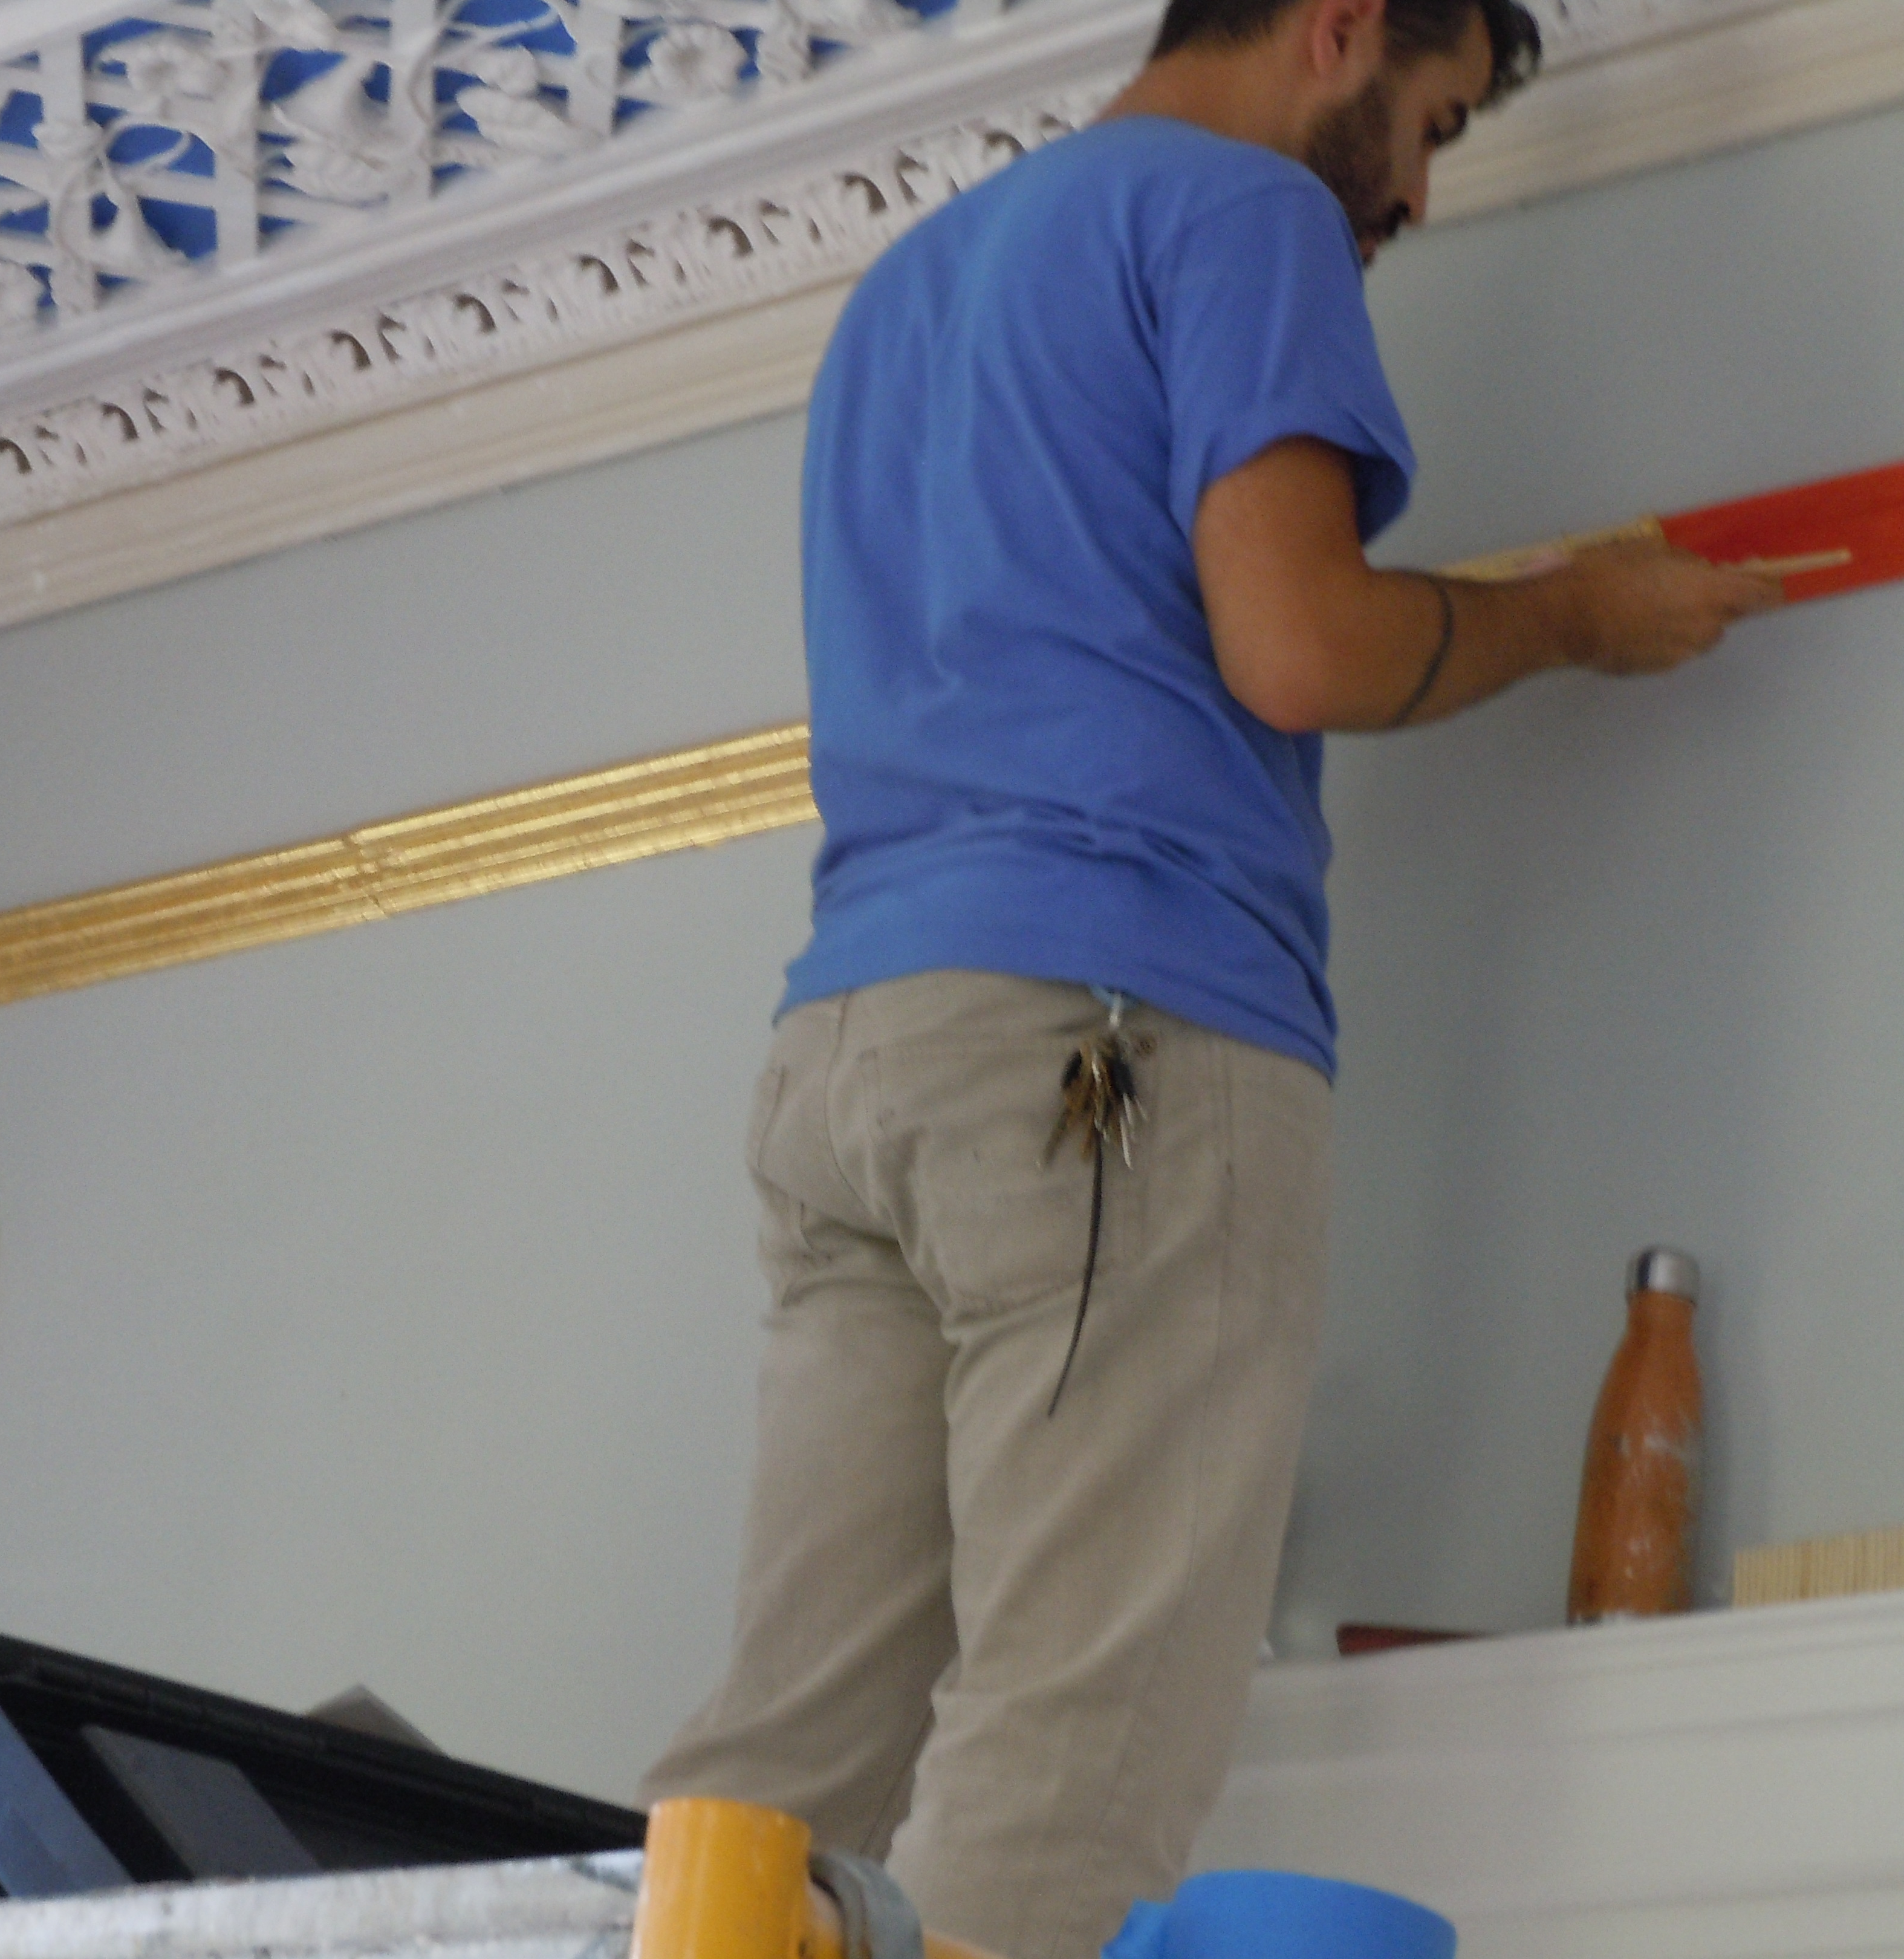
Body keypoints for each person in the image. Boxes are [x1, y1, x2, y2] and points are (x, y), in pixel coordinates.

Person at [637, 1, 1784, 1954]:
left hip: (850, 1057)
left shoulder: (910, 293)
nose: (1412, 194)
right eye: (1425, 124)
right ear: (1336, 27)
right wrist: (1577, 615)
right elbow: (1301, 648)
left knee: (776, 1777)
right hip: (1111, 1042)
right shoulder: (1239, 214)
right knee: (1071, 1750)